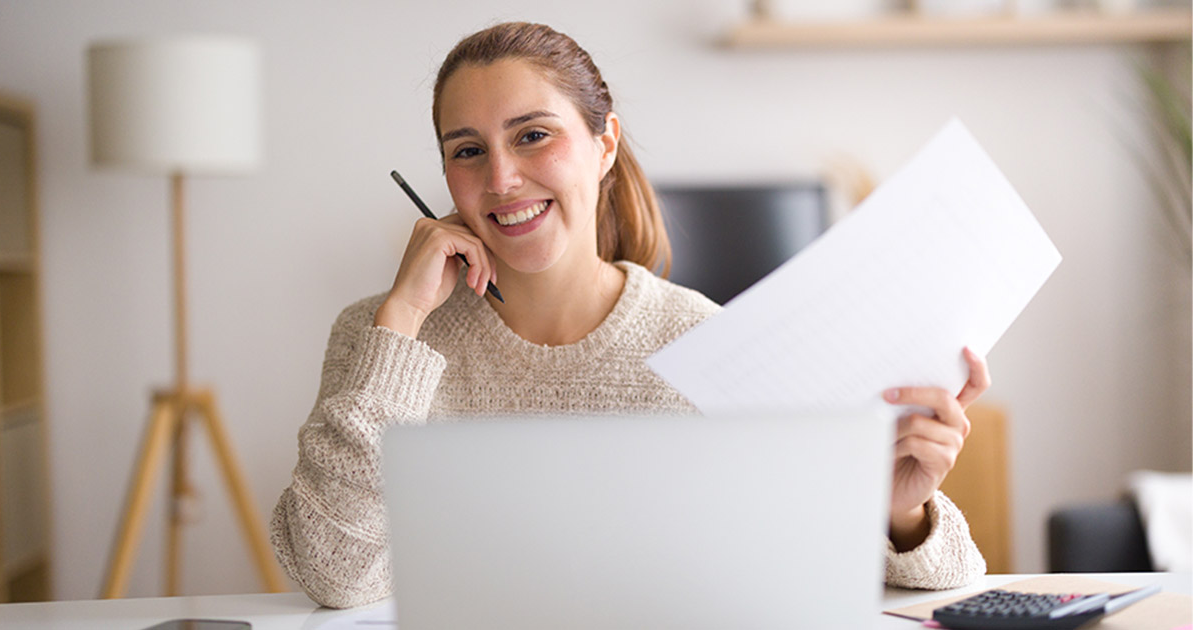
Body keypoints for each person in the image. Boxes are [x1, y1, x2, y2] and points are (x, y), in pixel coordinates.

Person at [270, 21, 989, 609]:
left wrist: (899, 514)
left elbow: (912, 582)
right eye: (468, 151)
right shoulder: (380, 338)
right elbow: (335, 575)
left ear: (604, 144)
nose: (500, 179)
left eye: (531, 135)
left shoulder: (709, 344)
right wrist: (401, 321)